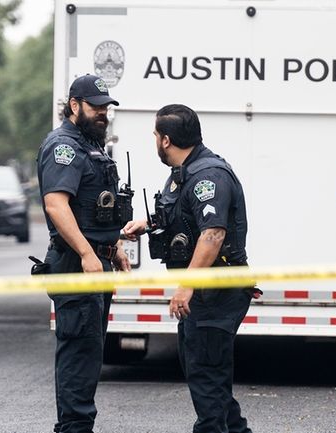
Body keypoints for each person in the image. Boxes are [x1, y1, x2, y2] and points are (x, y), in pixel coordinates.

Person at [123, 104, 254, 433]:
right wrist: (147, 223)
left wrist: (186, 286)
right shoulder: (182, 173)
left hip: (216, 293)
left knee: (205, 373)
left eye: (155, 135)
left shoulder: (207, 175)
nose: (154, 140)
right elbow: (185, 218)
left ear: (166, 140)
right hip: (206, 293)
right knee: (206, 372)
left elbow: (213, 234)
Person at [36, 74, 132, 433]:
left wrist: (116, 246)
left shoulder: (91, 145)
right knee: (79, 353)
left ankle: (78, 426)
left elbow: (95, 207)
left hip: (95, 261)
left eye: (106, 107)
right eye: (95, 106)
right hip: (77, 264)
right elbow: (56, 205)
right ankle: (73, 429)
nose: (102, 113)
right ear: (74, 106)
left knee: (90, 352)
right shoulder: (64, 146)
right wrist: (88, 253)